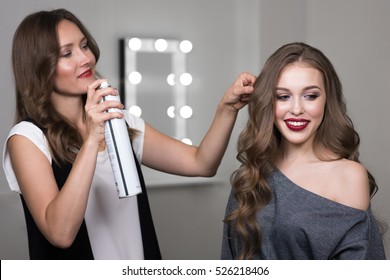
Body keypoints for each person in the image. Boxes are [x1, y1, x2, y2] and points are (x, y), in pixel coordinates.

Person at [2, 8, 256, 260]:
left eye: (84, 46)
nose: (86, 59)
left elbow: (202, 163)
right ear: (39, 67)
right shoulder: (27, 138)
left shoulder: (120, 122)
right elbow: (60, 233)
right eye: (67, 53)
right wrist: (92, 139)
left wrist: (227, 109)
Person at [221, 42, 386, 260]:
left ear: (327, 100)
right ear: (269, 102)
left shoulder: (348, 175)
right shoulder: (252, 173)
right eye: (283, 96)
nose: (297, 109)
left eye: (310, 96)